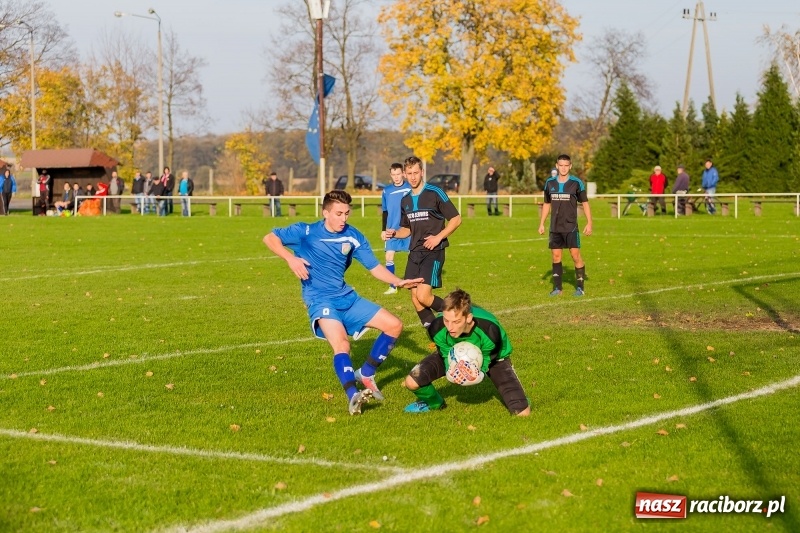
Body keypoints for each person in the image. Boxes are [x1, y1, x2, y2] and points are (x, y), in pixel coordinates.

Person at [263, 189, 423, 415]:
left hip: (347, 297)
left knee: (394, 326)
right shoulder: (305, 232)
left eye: (347, 213)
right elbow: (270, 238)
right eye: (338, 214)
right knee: (342, 345)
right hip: (320, 300)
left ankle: (366, 373)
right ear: (325, 213)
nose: (343, 219)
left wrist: (398, 281)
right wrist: (291, 258)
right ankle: (353, 396)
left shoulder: (353, 236)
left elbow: (374, 267)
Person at [404, 288, 530, 416]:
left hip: (494, 359)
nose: (450, 327)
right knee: (411, 382)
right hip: (452, 353)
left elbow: (488, 358)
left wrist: (477, 373)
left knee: (522, 413)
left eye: (456, 322)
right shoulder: (437, 328)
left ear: (468, 317)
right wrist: (451, 370)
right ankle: (435, 404)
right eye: (446, 320)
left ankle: (518, 396)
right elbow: (445, 353)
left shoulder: (490, 330)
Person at [388, 156, 462, 328]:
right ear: (405, 175)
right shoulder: (405, 200)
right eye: (409, 173)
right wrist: (395, 233)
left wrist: (438, 237)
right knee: (415, 299)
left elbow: (456, 219)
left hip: (433, 251)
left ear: (422, 172)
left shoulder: (435, 193)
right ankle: (436, 332)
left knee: (423, 296)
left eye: (416, 173)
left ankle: (459, 314)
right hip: (414, 252)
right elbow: (407, 229)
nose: (413, 177)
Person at [538, 154, 593, 297]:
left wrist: (589, 223)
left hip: (571, 227)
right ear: (557, 166)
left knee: (575, 256)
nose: (563, 168)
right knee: (556, 256)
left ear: (570, 166)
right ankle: (558, 288)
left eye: (566, 165)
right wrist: (542, 223)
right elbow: (546, 204)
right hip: (555, 227)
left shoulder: (576, 183)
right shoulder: (549, 183)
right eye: (561, 165)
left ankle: (580, 288)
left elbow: (585, 203)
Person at [380, 163, 411, 295]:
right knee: (389, 256)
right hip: (391, 229)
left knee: (413, 256)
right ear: (390, 175)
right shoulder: (386, 191)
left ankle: (414, 282)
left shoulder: (410, 187)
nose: (396, 177)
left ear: (403, 174)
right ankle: (393, 286)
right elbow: (385, 211)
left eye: (398, 174)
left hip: (409, 228)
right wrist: (383, 229)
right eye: (393, 175)